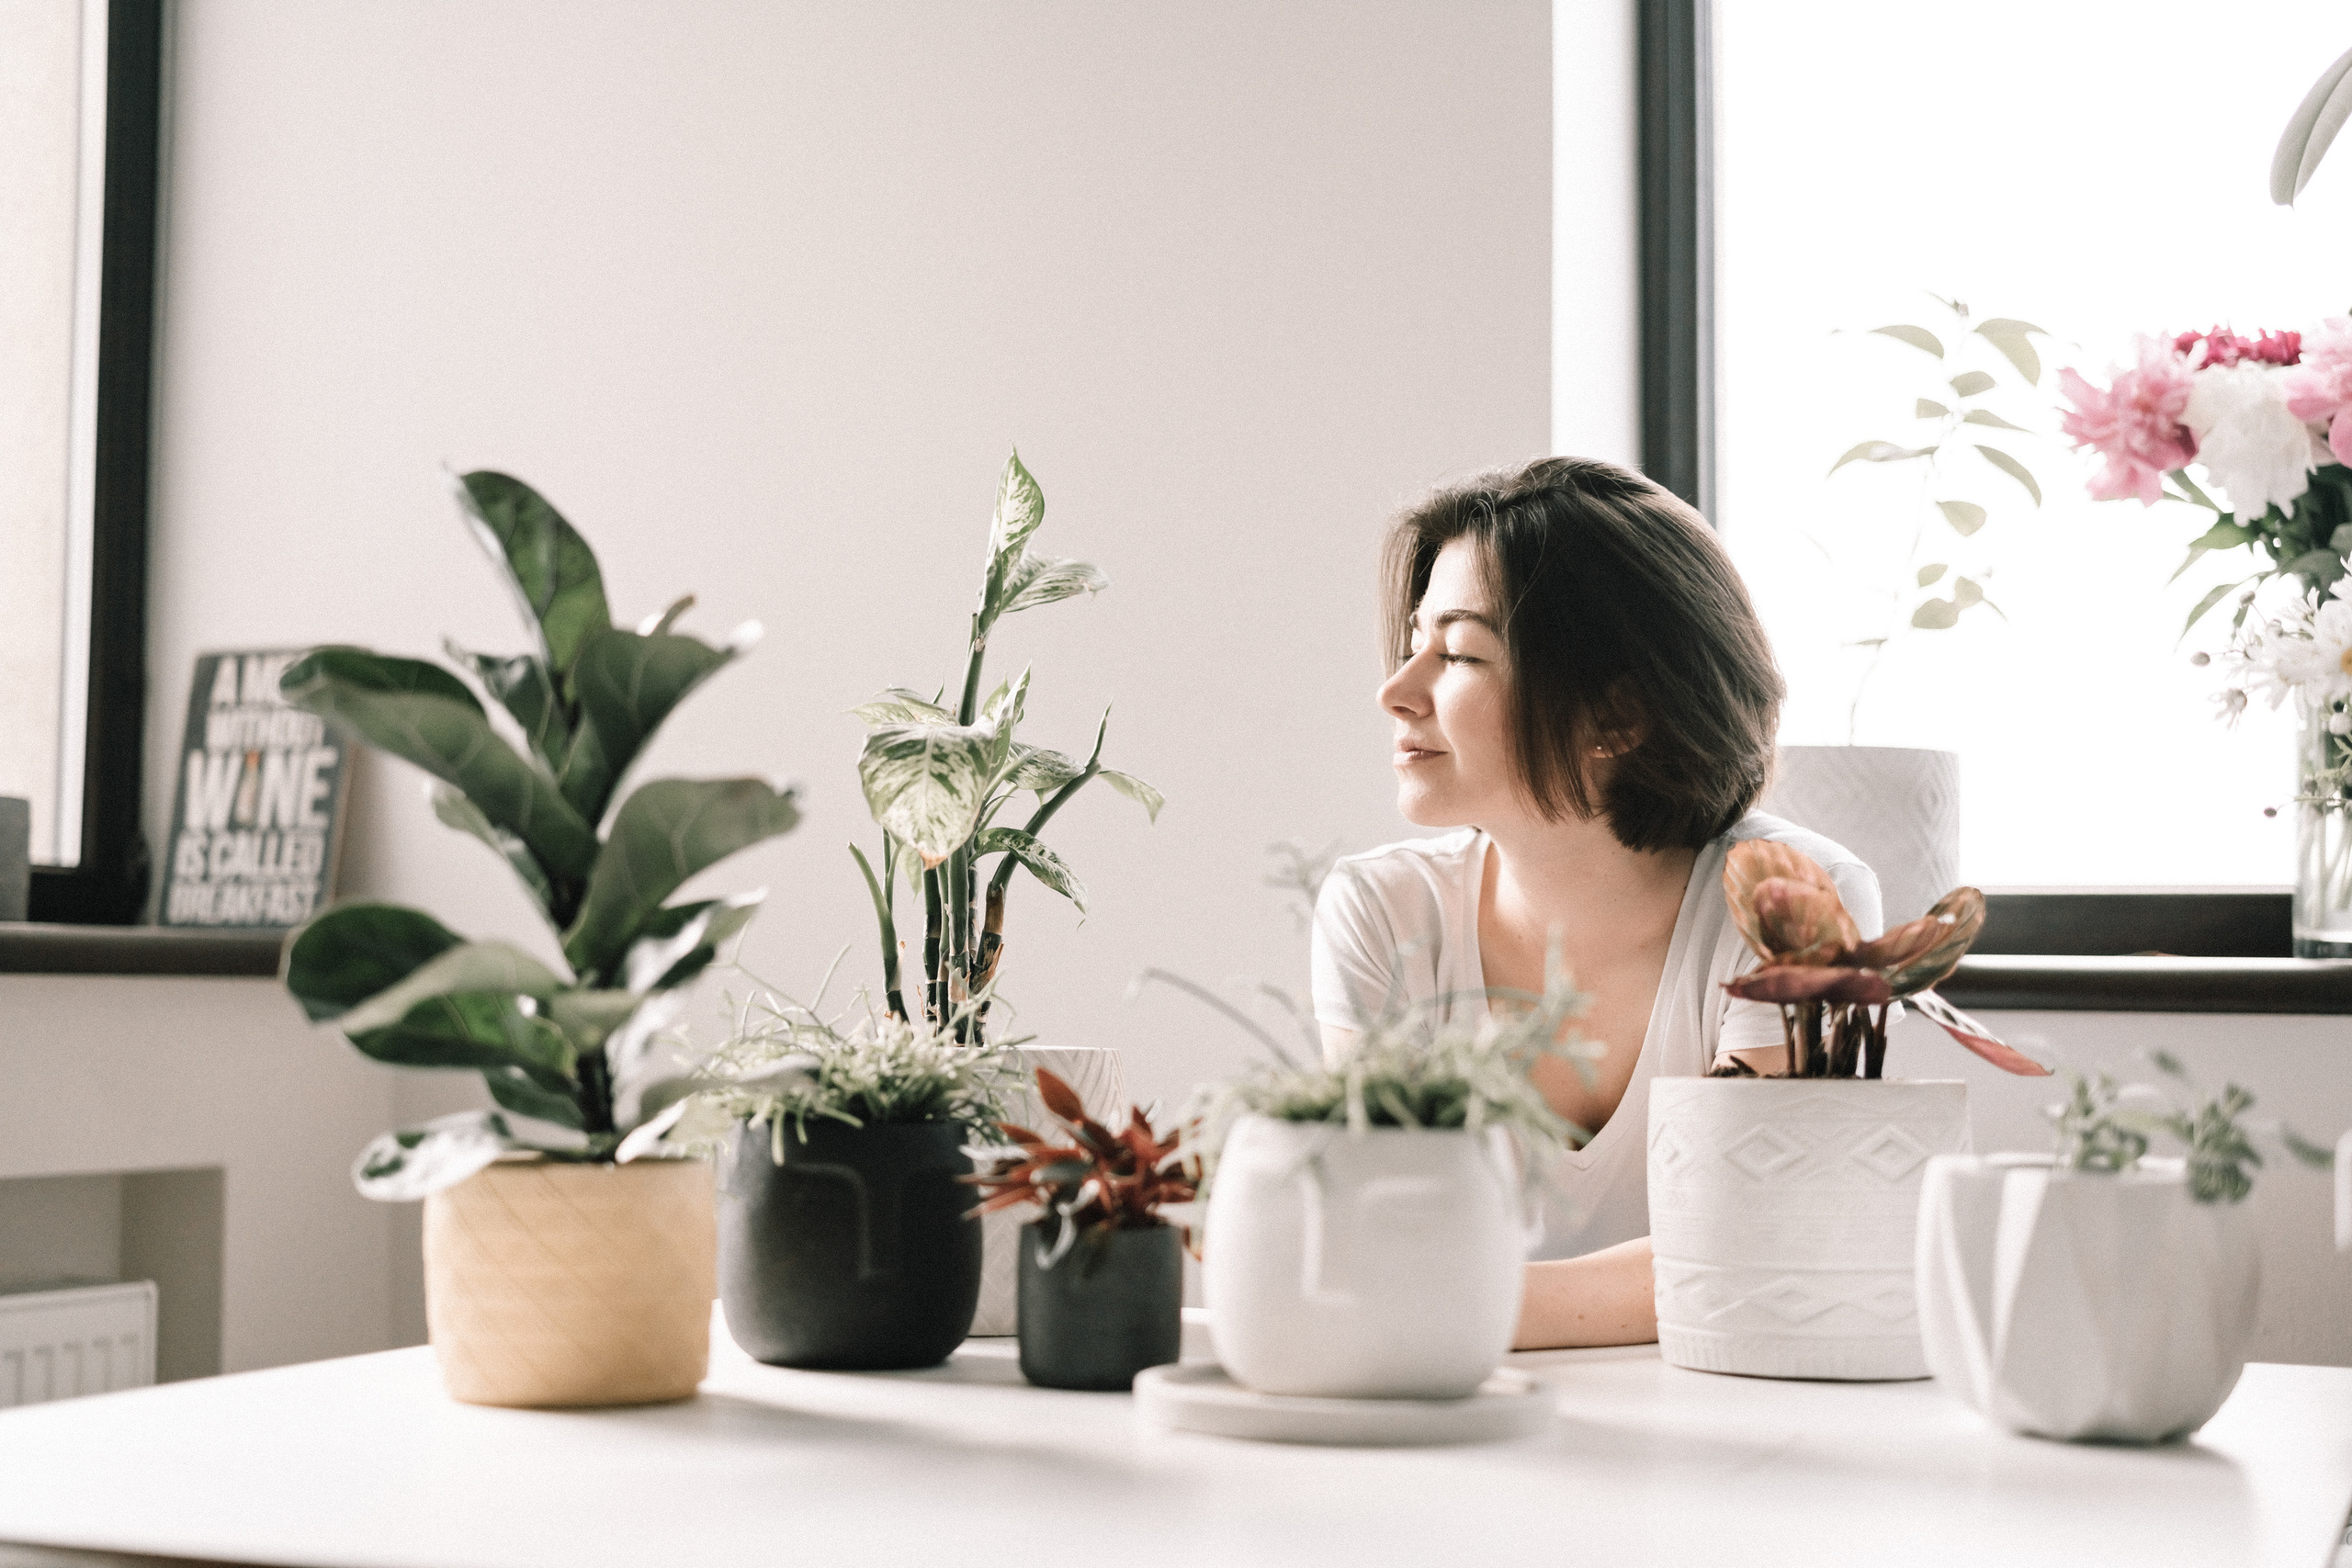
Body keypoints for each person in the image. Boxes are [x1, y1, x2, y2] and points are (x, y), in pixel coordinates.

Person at [1310, 456, 1881, 1350]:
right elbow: (1369, 1232)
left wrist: (1449, 1311)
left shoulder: (1789, 904)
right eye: (1410, 642)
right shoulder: (1380, 912)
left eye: (1457, 652)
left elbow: (1756, 1244)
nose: (1396, 691)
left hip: (1729, 1425)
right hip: (1446, 1419)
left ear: (1618, 714)